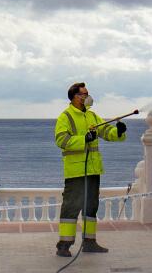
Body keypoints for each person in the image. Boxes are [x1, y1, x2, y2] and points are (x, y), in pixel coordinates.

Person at [54, 83, 126, 256]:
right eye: (84, 94)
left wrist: (119, 131)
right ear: (74, 97)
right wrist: (83, 139)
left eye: (88, 94)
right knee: (71, 208)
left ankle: (90, 242)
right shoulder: (66, 117)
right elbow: (61, 140)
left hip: (93, 170)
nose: (87, 97)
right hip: (76, 172)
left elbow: (106, 132)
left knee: (91, 207)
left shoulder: (92, 116)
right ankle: (63, 245)